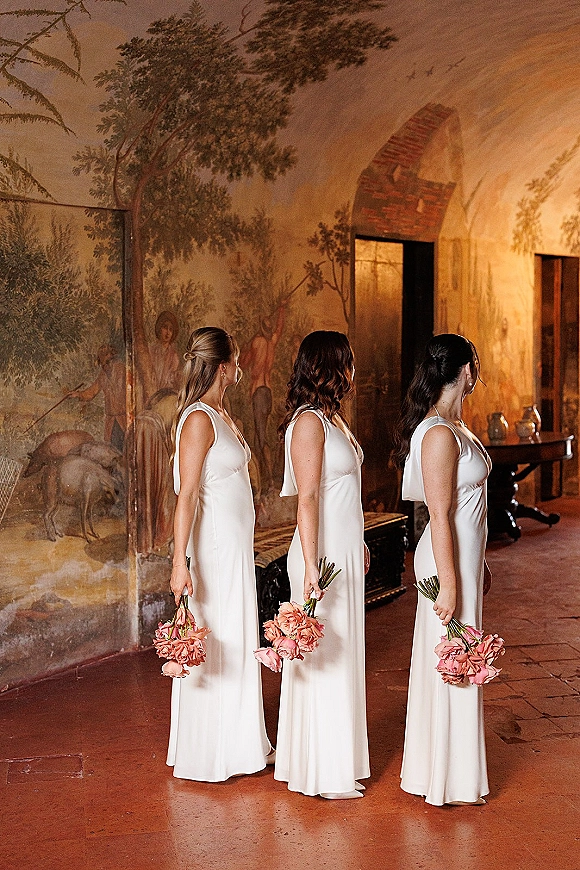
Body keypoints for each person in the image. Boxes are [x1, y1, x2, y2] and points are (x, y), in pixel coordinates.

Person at [167, 326, 273, 781]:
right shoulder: (197, 419)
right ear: (225, 366)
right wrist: (179, 563)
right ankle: (210, 751)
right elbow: (186, 495)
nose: (239, 371)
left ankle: (241, 742)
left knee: (237, 635)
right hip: (211, 551)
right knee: (217, 638)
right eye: (236, 363)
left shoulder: (220, 412)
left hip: (233, 550)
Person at [394, 333, 492, 807]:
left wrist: (481, 565)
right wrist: (450, 584)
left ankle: (455, 771)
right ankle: (442, 776)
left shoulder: (456, 426)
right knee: (449, 661)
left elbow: (470, 506)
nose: (477, 373)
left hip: (465, 560)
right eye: (475, 365)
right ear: (465, 371)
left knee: (461, 659)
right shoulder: (436, 433)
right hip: (445, 563)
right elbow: (438, 513)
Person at [274, 331, 370, 799]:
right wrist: (312, 566)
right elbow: (307, 499)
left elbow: (342, 494)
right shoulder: (308, 422)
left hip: (344, 550)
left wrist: (362, 540)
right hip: (320, 556)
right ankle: (322, 772)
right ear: (332, 366)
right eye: (349, 362)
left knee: (343, 653)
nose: (354, 370)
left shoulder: (334, 420)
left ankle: (333, 758)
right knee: (325, 657)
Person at [239, 300, 287, 491]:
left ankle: (270, 481)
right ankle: (268, 478)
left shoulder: (257, 342)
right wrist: (281, 309)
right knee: (262, 435)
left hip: (258, 392)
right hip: (268, 393)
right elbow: (279, 329)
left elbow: (242, 364)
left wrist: (243, 349)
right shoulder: (271, 343)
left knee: (260, 438)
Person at [70, 344, 127, 451]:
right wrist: (78, 394)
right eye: (102, 356)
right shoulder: (103, 375)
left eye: (107, 355)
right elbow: (92, 391)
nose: (105, 359)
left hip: (124, 417)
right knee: (113, 450)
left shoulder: (121, 369)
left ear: (112, 356)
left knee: (126, 447)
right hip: (111, 419)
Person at [149, 311, 181, 396]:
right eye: (165, 327)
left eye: (171, 329)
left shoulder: (174, 357)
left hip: (164, 395)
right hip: (150, 393)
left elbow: (171, 381)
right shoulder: (150, 351)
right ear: (159, 328)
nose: (168, 332)